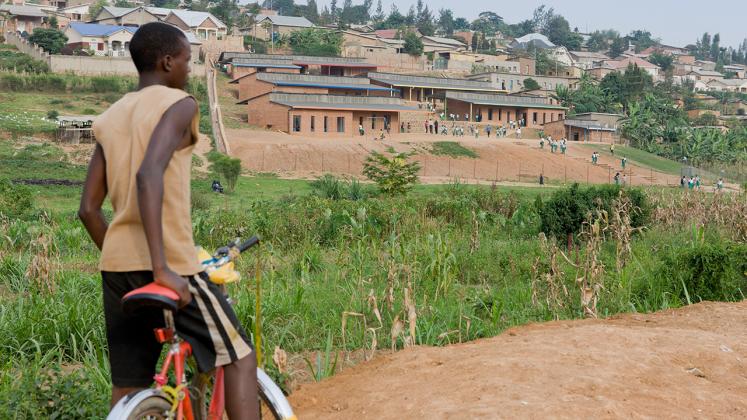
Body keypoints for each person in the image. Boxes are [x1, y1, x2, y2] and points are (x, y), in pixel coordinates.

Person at [77, 23, 258, 419]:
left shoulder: (110, 117)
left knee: (128, 387)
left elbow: (88, 210)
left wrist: (122, 255)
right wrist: (160, 267)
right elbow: (149, 174)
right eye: (187, 61)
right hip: (171, 264)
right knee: (239, 357)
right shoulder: (180, 105)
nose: (189, 70)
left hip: (116, 268)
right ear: (167, 61)